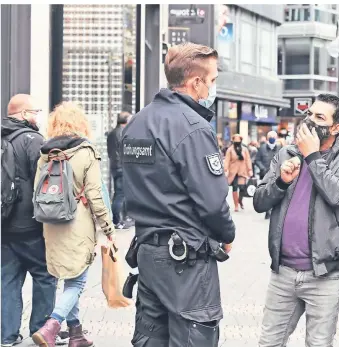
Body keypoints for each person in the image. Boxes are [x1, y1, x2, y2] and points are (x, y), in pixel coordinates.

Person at [121, 42, 235, 347]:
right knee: (193, 336)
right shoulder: (193, 127)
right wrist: (227, 233)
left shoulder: (137, 122)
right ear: (195, 82)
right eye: (211, 81)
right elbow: (212, 202)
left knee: (151, 339)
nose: (212, 88)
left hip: (148, 251)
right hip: (185, 258)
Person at [253, 94, 339, 347]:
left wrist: (312, 157)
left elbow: (337, 194)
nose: (310, 121)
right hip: (283, 273)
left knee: (318, 343)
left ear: (336, 128)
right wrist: (281, 182)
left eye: (319, 117)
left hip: (324, 275)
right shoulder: (285, 154)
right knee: (269, 342)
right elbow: (259, 202)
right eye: (309, 114)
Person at [31, 102, 116, 347]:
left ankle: (76, 334)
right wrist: (108, 228)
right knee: (77, 281)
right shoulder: (85, 151)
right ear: (80, 124)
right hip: (76, 224)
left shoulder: (45, 153)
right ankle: (51, 326)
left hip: (51, 223)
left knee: (68, 277)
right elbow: (95, 195)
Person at [1, 94, 58, 347]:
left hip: (4, 222)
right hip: (30, 224)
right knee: (45, 276)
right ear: (24, 115)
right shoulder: (33, 140)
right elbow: (47, 182)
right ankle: (40, 329)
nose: (37, 116)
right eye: (35, 111)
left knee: (8, 280)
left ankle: (7, 335)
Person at [107, 111, 131, 230]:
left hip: (114, 166)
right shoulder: (122, 133)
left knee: (118, 194)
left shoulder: (112, 133)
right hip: (121, 167)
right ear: (126, 121)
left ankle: (119, 219)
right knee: (120, 195)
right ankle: (117, 221)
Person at [255, 131, 281, 219]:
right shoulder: (262, 148)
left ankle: (274, 210)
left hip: (277, 174)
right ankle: (267, 211)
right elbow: (257, 160)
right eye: (270, 136)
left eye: (274, 136)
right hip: (265, 173)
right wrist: (262, 168)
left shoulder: (280, 148)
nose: (272, 138)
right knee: (266, 191)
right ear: (267, 138)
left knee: (275, 191)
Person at [224, 134, 253, 212]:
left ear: (241, 141)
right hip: (233, 172)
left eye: (238, 141)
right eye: (235, 141)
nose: (237, 142)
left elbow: (248, 160)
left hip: (242, 171)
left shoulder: (245, 150)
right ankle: (236, 205)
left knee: (242, 188)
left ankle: (240, 200)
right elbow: (227, 160)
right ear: (233, 141)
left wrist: (250, 170)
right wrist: (225, 169)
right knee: (235, 188)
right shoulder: (230, 150)